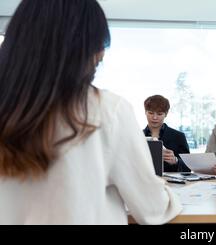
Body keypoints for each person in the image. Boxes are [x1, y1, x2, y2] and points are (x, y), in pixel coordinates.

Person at [0, 0, 181, 225]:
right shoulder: (108, 111)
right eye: (99, 42)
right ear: (82, 47)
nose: (102, 53)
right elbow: (154, 209)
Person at [143, 95, 190, 172]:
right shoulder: (137, 136)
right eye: (151, 113)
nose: (154, 117)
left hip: (171, 183)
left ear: (166, 114)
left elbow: (188, 167)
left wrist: (176, 161)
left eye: (159, 114)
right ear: (145, 112)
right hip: (144, 180)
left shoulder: (178, 137)